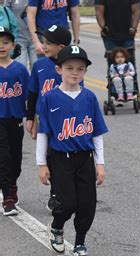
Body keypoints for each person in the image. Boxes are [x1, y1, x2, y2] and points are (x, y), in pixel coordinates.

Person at [36, 45, 108, 256]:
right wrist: (41, 164)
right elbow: (43, 132)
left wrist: (100, 163)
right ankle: (57, 227)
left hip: (84, 158)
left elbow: (96, 133)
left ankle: (80, 244)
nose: (74, 72)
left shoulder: (89, 98)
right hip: (60, 159)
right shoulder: (50, 98)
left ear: (85, 72)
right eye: (69, 68)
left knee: (87, 204)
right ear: (59, 70)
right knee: (67, 203)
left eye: (80, 68)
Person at [26, 24, 71, 212]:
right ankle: (55, 194)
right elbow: (33, 93)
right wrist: (30, 118)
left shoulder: (70, 66)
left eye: (48, 43)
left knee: (65, 158)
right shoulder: (39, 65)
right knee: (50, 157)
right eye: (43, 42)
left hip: (65, 121)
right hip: (45, 120)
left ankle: (66, 190)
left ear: (61, 47)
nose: (43, 46)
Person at [0, 27, 29, 216]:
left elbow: (30, 95)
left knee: (16, 158)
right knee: (3, 157)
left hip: (16, 119)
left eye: (5, 42)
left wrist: (34, 117)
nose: (1, 46)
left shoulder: (20, 69)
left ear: (13, 45)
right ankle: (8, 199)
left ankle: (12, 184)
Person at [5, 0, 37, 69]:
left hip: (36, 38)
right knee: (21, 68)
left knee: (37, 68)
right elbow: (6, 15)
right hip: (19, 38)